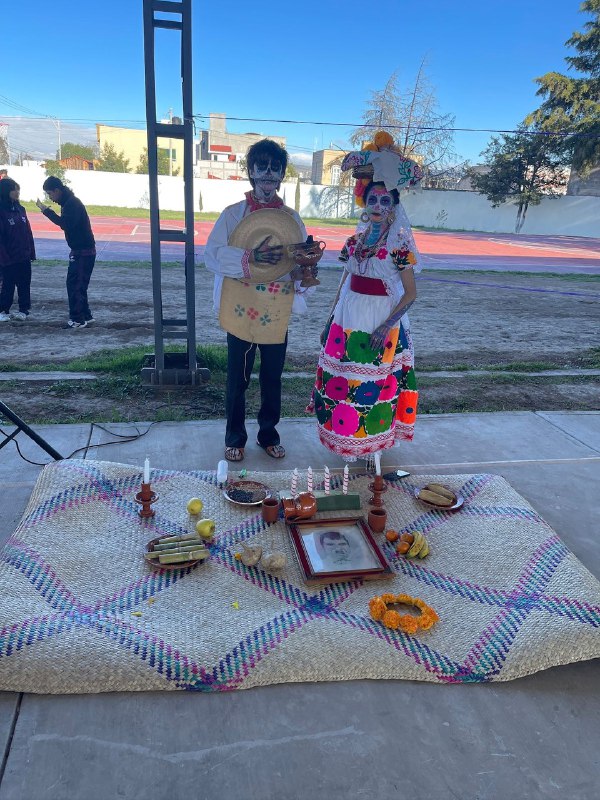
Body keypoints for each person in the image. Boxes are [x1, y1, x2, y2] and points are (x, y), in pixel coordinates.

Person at [308, 131, 423, 464]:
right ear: (364, 202)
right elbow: (345, 282)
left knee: (374, 385)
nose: (377, 206)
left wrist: (385, 327)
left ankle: (372, 445)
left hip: (380, 320)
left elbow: (411, 294)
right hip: (348, 317)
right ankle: (348, 442)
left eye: (385, 201)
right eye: (372, 200)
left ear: (393, 208)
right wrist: (329, 320)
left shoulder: (399, 246)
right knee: (344, 379)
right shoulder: (354, 241)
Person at [205, 139, 323, 463]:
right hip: (240, 308)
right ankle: (235, 437)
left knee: (272, 377)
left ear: (282, 174)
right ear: (252, 172)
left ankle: (268, 434)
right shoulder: (232, 215)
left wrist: (305, 270)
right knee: (237, 378)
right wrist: (250, 256)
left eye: (275, 168)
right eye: (262, 166)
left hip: (275, 309)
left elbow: (297, 265)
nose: (268, 174)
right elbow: (211, 255)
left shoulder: (293, 219)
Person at [35, 177, 96, 329]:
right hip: (81, 250)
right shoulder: (69, 202)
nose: (50, 197)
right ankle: (85, 315)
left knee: (75, 285)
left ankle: (77, 319)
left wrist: (46, 211)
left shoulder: (72, 204)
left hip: (82, 252)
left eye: (50, 193)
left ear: (57, 190)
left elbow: (65, 224)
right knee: (78, 285)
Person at [0, 178, 36, 322]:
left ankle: (24, 310)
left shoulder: (21, 209)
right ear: (5, 191)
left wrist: (31, 252)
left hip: (24, 256)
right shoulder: (1, 211)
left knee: (24, 284)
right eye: (14, 189)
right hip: (8, 258)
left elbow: (28, 232)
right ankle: (3, 310)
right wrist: (4, 258)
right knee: (7, 285)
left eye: (18, 189)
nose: (17, 192)